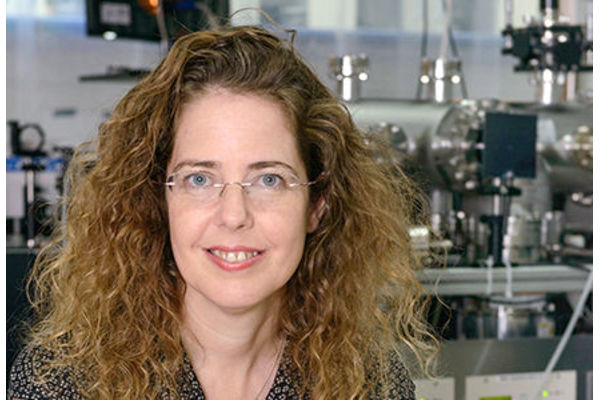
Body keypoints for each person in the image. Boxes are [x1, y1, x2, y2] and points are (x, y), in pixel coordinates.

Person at [8, 24, 438, 399]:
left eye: (269, 179)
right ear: (159, 200)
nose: (233, 216)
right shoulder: (64, 380)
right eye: (199, 179)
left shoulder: (371, 381)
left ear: (317, 205)